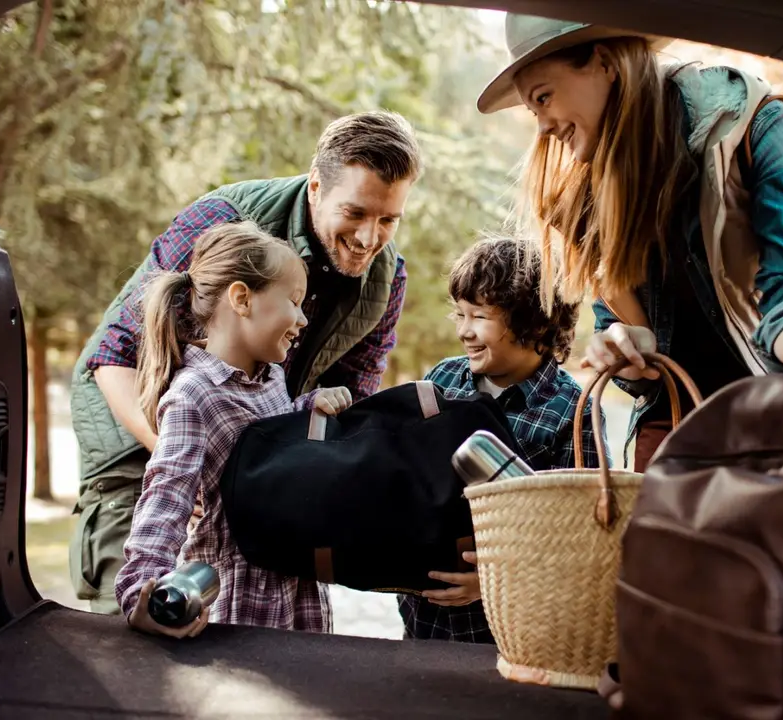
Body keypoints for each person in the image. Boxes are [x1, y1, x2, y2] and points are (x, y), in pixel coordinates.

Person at [476, 13, 783, 471]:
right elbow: (628, 332)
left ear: (604, 63)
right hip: (676, 430)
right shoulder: (585, 200)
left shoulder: (755, 125)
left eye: (544, 98)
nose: (543, 127)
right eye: (534, 111)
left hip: (777, 410)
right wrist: (622, 346)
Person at [70, 111, 422, 614]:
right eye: (356, 213)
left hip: (251, 462)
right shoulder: (222, 217)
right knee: (140, 631)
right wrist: (191, 468)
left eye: (388, 220)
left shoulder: (386, 282)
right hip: (140, 442)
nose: (370, 237)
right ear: (317, 186)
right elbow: (113, 356)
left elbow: (348, 412)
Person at [114, 221, 354, 637]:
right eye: (295, 301)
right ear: (242, 298)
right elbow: (166, 498)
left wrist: (306, 409)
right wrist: (142, 593)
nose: (301, 319)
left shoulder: (271, 378)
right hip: (241, 602)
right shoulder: (194, 395)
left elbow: (269, 445)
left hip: (297, 591)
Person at [398, 235, 611, 644]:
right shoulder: (442, 380)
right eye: (459, 314)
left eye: (478, 316)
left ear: (534, 321)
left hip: (505, 629)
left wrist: (491, 582)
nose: (464, 331)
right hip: (422, 621)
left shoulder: (573, 411)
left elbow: (574, 536)